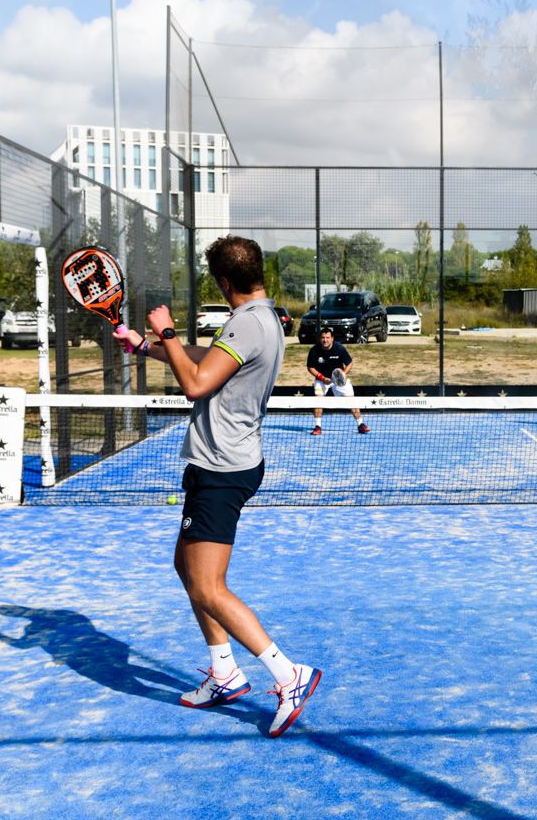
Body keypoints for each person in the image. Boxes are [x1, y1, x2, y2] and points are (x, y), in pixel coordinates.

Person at [116, 235, 322, 736]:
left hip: (223, 470)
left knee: (208, 585)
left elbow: (195, 383)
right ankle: (224, 673)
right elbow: (207, 362)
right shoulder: (262, 317)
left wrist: (164, 332)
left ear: (223, 282)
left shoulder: (247, 323)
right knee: (186, 567)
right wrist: (147, 345)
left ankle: (287, 673)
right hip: (221, 462)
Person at [305, 327, 368, 435]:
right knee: (318, 400)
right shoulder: (314, 350)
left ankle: (361, 424)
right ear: (320, 339)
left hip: (338, 379)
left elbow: (350, 363)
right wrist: (322, 378)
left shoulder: (339, 348)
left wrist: (343, 373)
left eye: (328, 338)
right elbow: (310, 367)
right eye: (323, 338)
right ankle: (318, 426)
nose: (325, 340)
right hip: (322, 379)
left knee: (351, 400)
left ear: (332, 338)